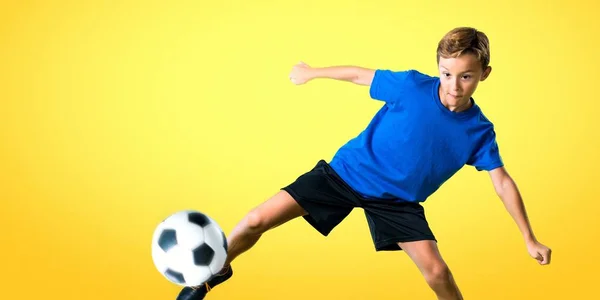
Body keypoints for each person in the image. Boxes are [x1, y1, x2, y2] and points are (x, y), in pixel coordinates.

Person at [176, 26, 552, 300]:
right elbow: (359, 74)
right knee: (255, 220)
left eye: (466, 77)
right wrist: (312, 73)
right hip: (344, 174)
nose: (454, 86)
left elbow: (501, 181)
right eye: (447, 74)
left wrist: (528, 236)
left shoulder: (478, 131)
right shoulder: (410, 86)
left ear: (484, 74)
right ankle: (213, 272)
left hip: (397, 201)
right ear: (437, 68)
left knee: (437, 273)